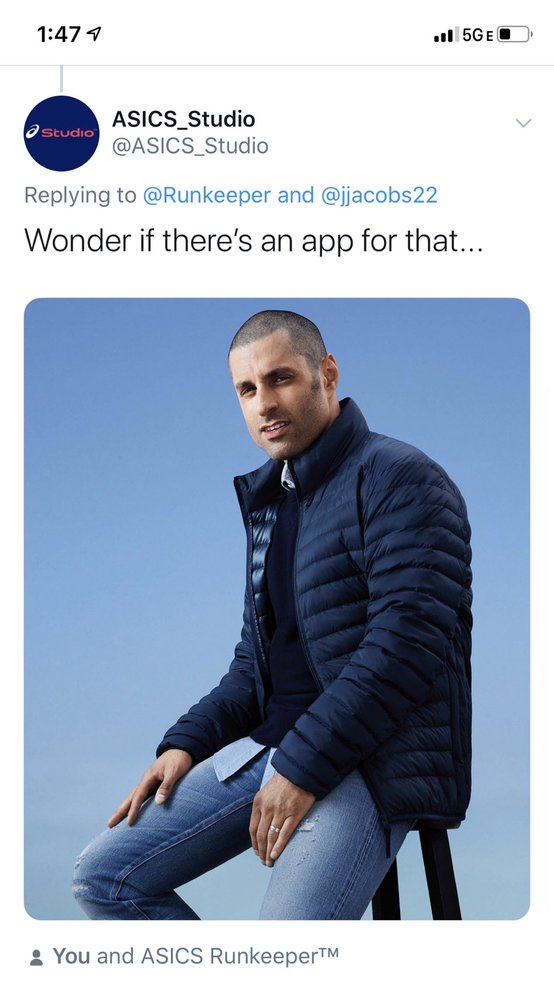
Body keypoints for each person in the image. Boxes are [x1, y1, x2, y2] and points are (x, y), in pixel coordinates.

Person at [73, 310, 472, 920]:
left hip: (368, 759)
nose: (264, 403)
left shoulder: (401, 478)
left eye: (279, 378)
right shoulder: (272, 502)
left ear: (326, 373)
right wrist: (187, 742)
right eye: (247, 389)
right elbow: (254, 665)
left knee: (282, 950)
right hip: (273, 747)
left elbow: (404, 649)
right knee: (103, 878)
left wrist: (302, 767)